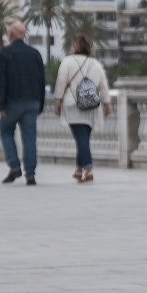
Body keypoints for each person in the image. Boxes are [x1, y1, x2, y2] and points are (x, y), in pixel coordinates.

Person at [50, 32, 110, 182]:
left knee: (81, 137)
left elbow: (61, 82)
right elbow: (103, 86)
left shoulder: (68, 62)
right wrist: (107, 103)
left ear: (75, 46)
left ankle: (88, 169)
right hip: (92, 105)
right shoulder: (96, 64)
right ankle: (78, 168)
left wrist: (58, 101)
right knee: (83, 137)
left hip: (73, 104)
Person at [0, 20, 46, 186]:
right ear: (24, 35)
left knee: (5, 130)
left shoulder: (5, 54)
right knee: (30, 138)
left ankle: (14, 166)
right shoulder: (35, 53)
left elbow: (1, 81)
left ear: (11, 35)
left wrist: (0, 106)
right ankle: (30, 175)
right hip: (32, 102)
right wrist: (41, 104)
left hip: (12, 103)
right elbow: (41, 81)